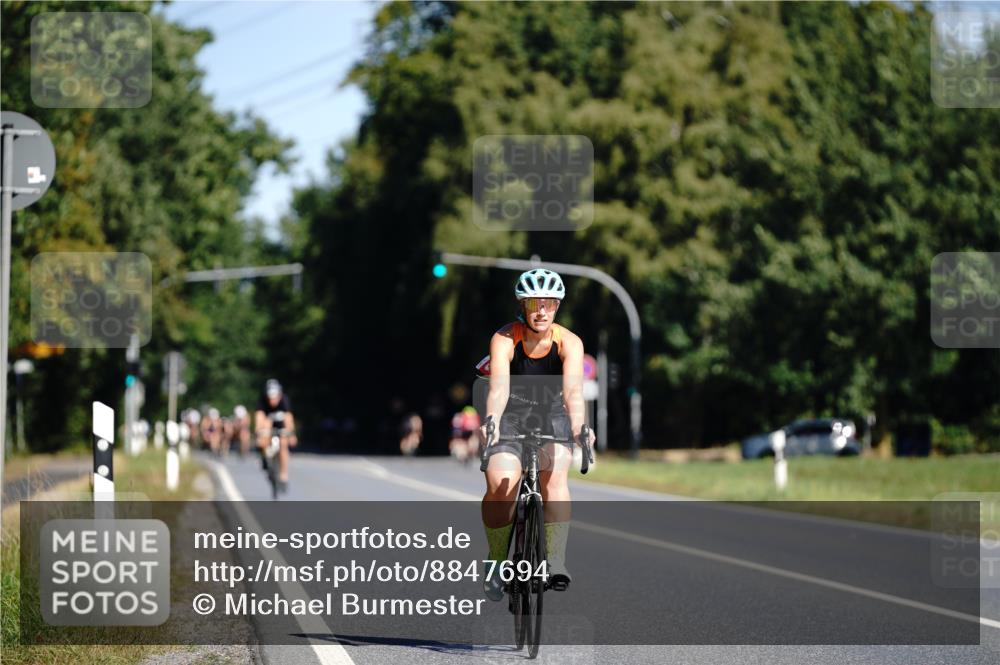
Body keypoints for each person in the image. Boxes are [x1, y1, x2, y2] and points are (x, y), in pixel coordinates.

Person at [479, 268, 595, 601]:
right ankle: (497, 559)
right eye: (534, 303)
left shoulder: (569, 342)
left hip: (553, 417)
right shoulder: (505, 338)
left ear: (557, 306)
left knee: (556, 475)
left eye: (549, 303)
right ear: (523, 305)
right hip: (511, 417)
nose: (542, 310)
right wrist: (491, 421)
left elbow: (573, 391)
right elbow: (499, 388)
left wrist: (579, 428)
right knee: (501, 483)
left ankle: (555, 559)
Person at [255, 379, 297, 493]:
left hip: (280, 424)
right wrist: (259, 432)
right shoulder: (262, 400)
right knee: (263, 437)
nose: (272, 400)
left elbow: (288, 418)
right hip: (267, 424)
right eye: (270, 397)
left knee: (283, 444)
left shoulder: (284, 400)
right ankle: (265, 457)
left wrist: (291, 434)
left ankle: (283, 475)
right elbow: (259, 417)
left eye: (275, 397)